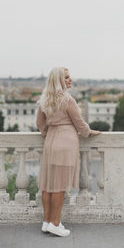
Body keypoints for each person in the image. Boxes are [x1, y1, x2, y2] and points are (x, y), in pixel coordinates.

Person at [36, 67, 101, 237]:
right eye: (66, 77)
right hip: (65, 142)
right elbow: (79, 123)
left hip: (50, 141)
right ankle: (55, 224)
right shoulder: (67, 100)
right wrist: (89, 132)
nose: (70, 79)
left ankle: (46, 221)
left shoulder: (44, 99)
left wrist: (48, 133)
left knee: (48, 184)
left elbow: (40, 124)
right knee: (58, 186)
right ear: (59, 81)